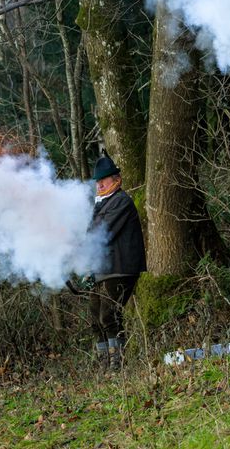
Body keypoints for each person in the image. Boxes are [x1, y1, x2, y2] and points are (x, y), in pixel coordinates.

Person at [89, 155, 146, 368]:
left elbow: (102, 233)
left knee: (108, 315)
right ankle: (105, 363)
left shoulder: (121, 201)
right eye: (97, 181)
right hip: (104, 268)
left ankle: (117, 363)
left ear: (117, 180)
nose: (100, 184)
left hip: (121, 268)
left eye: (104, 180)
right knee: (96, 318)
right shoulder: (103, 202)